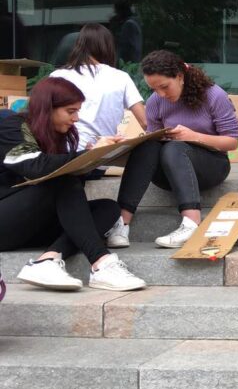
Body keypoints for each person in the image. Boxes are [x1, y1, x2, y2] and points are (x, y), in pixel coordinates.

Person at [0, 77, 146, 291]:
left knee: (108, 208)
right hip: (5, 220)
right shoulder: (11, 126)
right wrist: (86, 154)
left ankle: (49, 259)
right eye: (70, 111)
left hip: (28, 223)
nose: (76, 119)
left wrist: (101, 155)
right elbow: (34, 166)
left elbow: (70, 183)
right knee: (63, 181)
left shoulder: (56, 136)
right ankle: (101, 263)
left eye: (77, 111)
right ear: (48, 108)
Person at [106, 50, 238, 249]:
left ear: (179, 76)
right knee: (147, 146)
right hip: (170, 171)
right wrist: (130, 142)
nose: (161, 94)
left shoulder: (214, 95)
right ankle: (122, 223)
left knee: (174, 148)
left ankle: (192, 221)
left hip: (212, 165)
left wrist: (193, 136)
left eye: (164, 87)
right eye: (154, 89)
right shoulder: (154, 103)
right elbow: (154, 140)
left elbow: (232, 142)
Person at [50, 24, 146, 150]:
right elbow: (144, 121)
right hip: (103, 153)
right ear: (108, 47)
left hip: (64, 153)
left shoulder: (58, 76)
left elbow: (43, 114)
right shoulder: (121, 77)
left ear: (79, 45)